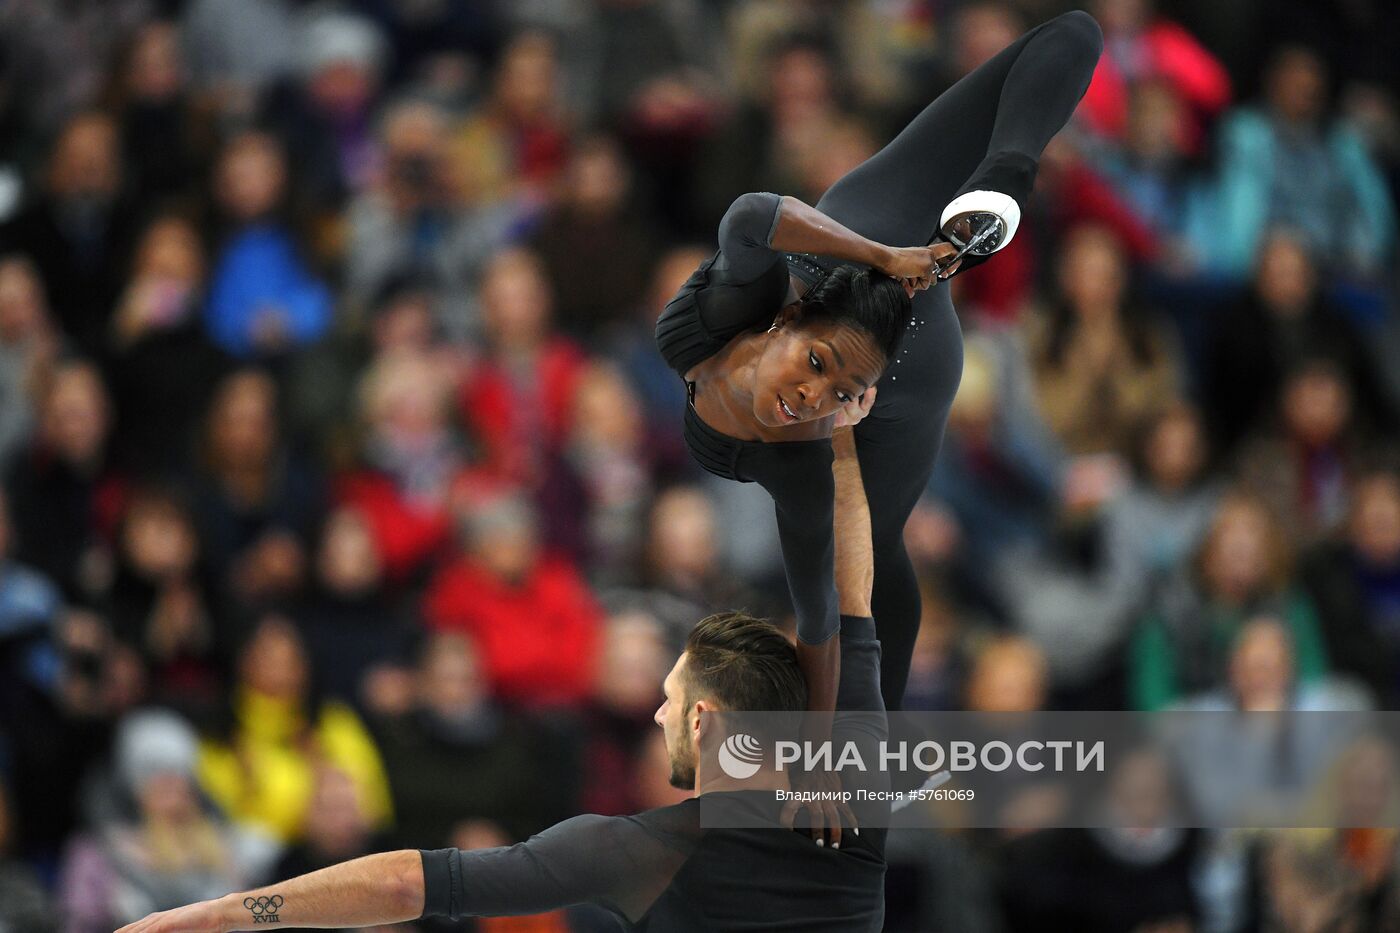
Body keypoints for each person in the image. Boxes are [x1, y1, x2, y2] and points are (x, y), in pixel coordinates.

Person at [115, 423, 890, 932]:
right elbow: (854, 593)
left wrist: (224, 915)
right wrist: (848, 443)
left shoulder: (645, 849)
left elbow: (403, 887)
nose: (655, 712)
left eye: (670, 697)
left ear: (703, 721)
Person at [654, 12, 1102, 729]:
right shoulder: (784, 428)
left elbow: (750, 214)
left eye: (828, 384)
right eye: (820, 375)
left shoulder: (745, 352)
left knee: (1074, 30)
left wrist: (899, 253)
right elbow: (823, 622)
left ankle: (1003, 182)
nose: (810, 398)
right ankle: (874, 771)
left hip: (890, 305)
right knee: (874, 555)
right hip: (887, 303)